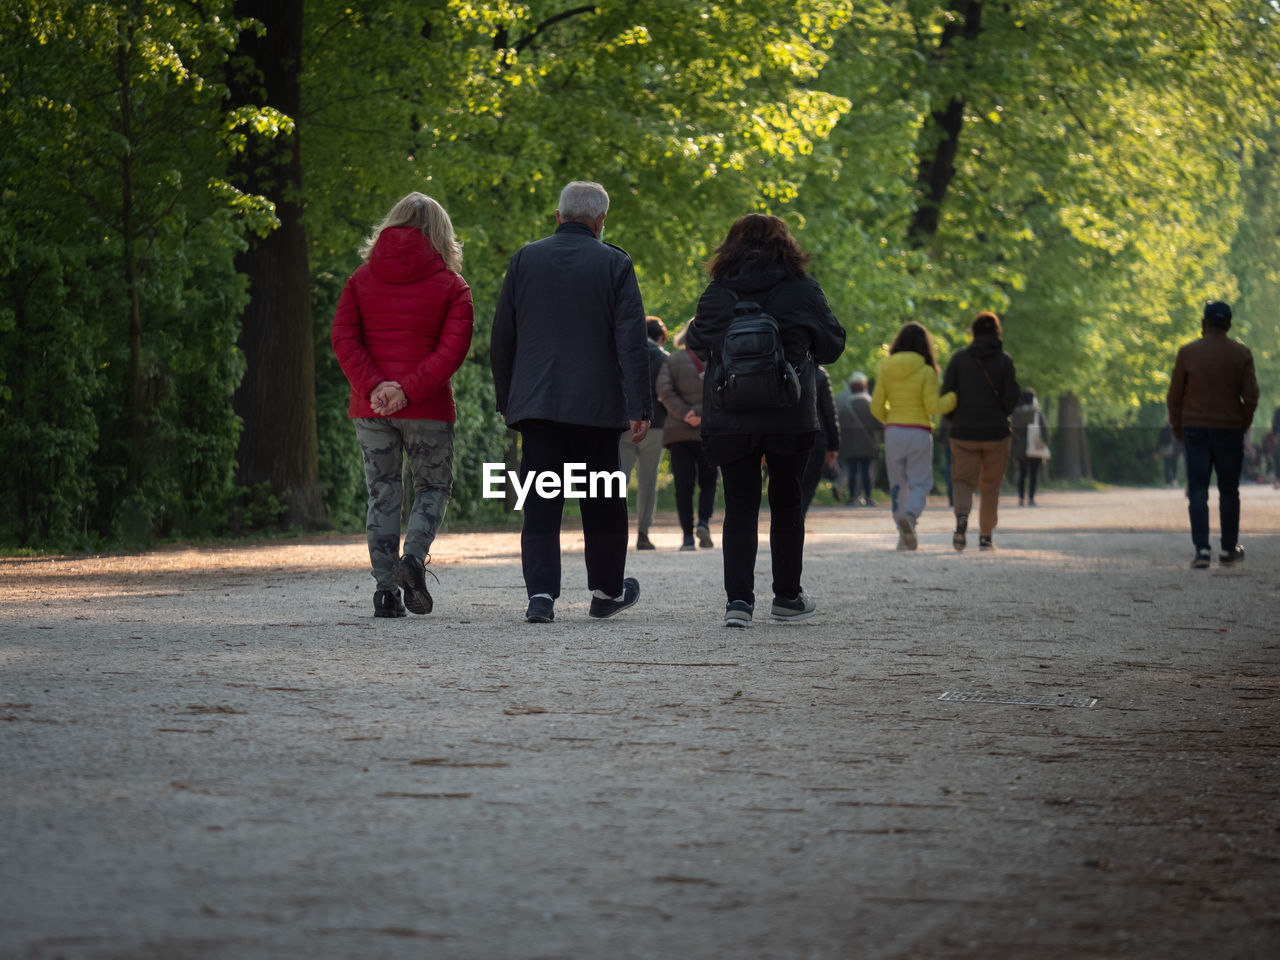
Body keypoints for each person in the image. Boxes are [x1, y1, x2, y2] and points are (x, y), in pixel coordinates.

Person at [490, 181, 651, 622]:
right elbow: (631, 343)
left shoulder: (525, 259)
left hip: (537, 405)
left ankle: (541, 595)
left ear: (558, 217)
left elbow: (503, 334)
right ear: (601, 222)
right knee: (602, 499)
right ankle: (604, 591)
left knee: (542, 501)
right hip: (597, 408)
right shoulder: (615, 262)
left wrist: (507, 399)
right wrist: (640, 407)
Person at [685, 213, 846, 628]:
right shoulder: (803, 290)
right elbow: (832, 346)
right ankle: (787, 597)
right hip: (790, 415)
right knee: (787, 503)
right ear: (785, 244)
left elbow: (699, 345)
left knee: (739, 507)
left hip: (730, 414)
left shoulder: (718, 294)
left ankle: (738, 603)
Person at [330, 192, 474, 618]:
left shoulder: (359, 280)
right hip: (426, 406)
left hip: (371, 406)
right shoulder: (452, 286)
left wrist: (376, 387)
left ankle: (384, 594)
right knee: (432, 487)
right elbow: (452, 350)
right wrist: (407, 390)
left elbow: (344, 339)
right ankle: (411, 560)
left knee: (383, 494)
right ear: (442, 235)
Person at [1166, 300, 1258, 568]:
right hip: (1229, 429)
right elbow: (1251, 397)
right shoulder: (1241, 354)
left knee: (1197, 489)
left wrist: (1178, 426)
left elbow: (1174, 396)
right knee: (1229, 490)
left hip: (1195, 428)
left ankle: (1202, 550)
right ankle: (1229, 549)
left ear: (1203, 323)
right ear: (1228, 325)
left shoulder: (1187, 353)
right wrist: (1242, 422)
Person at [870, 321, 956, 550]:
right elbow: (933, 406)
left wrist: (891, 419)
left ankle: (902, 536)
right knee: (920, 482)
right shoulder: (927, 370)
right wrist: (954, 398)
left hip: (894, 431)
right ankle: (910, 515)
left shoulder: (885, 366)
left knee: (898, 483)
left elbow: (876, 406)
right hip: (919, 431)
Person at [941, 311, 1020, 551]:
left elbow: (947, 395)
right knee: (990, 486)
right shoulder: (1005, 361)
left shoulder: (959, 359)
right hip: (996, 433)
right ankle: (986, 536)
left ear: (973, 332)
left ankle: (962, 518)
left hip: (963, 432)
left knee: (963, 481)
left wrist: (956, 418)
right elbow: (1011, 399)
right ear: (997, 332)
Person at [656, 324, 719, 550]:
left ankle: (687, 537)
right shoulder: (715, 360)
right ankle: (703, 522)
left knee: (683, 486)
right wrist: (702, 415)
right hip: (708, 431)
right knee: (709, 481)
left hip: (678, 431)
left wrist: (685, 413)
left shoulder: (671, 361)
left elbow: (663, 390)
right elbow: (720, 390)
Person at [619, 317, 669, 550]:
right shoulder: (662, 357)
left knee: (618, 480)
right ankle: (643, 533)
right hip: (654, 424)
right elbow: (666, 392)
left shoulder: (623, 350)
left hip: (623, 423)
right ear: (660, 337)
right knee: (648, 482)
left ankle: (614, 529)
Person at [800, 365, 841, 517]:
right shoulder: (819, 373)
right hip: (816, 436)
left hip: (785, 435)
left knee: (787, 484)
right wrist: (834, 446)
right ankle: (798, 519)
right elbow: (829, 412)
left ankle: (793, 522)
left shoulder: (777, 365)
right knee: (808, 484)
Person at [835, 372, 881, 507]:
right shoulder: (871, 405)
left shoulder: (845, 407)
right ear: (864, 386)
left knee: (852, 472)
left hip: (849, 446)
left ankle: (852, 497)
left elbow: (839, 427)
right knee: (867, 471)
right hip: (868, 445)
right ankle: (868, 498)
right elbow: (880, 425)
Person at [1010, 388, 1050, 506]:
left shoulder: (1015, 413)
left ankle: (1021, 497)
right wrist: (1045, 444)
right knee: (1033, 474)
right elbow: (1045, 430)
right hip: (1035, 445)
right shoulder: (1036, 412)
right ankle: (1031, 498)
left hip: (1020, 447)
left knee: (1022, 472)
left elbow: (1012, 430)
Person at [1156, 418, 1180, 488]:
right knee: (1167, 467)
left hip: (1175, 452)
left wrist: (1181, 452)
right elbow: (1160, 441)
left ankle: (1174, 480)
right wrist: (1157, 452)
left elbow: (1179, 441)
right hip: (1166, 452)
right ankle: (1168, 483)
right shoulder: (1163, 430)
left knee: (1175, 467)